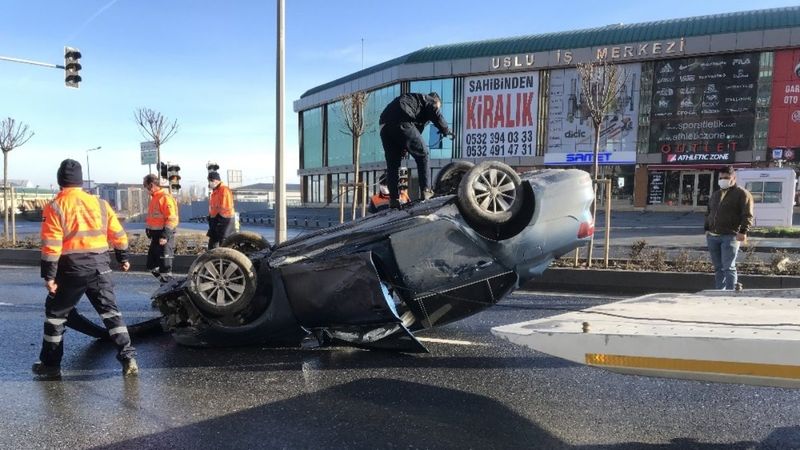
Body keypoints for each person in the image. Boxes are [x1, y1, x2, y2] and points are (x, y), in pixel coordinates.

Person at [33, 159, 137, 379]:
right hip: (100, 266)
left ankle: (51, 366)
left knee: (55, 316)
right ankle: (128, 358)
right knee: (111, 313)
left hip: (70, 269)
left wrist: (49, 277)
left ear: (60, 180)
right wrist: (123, 257)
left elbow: (51, 246)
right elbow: (118, 235)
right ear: (80, 181)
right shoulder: (100, 204)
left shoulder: (55, 207)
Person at [379, 92, 453, 208]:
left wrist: (404, 147)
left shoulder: (417, 108)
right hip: (402, 118)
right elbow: (435, 112)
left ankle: (393, 199)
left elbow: (414, 134)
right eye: (438, 107)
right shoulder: (428, 100)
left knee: (393, 164)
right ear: (436, 101)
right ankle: (426, 191)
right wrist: (445, 129)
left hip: (384, 126)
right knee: (423, 154)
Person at [704, 166, 754, 290]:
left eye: (726, 178)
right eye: (721, 178)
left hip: (730, 236)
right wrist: (706, 228)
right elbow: (709, 212)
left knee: (728, 267)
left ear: (733, 178)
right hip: (713, 236)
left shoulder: (742, 193)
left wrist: (743, 231)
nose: (723, 180)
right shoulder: (716, 194)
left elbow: (747, 214)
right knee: (718, 268)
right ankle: (719, 292)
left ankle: (731, 294)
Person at [143, 174, 179, 283]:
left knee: (165, 269)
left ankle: (171, 288)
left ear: (152, 185)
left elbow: (172, 219)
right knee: (151, 266)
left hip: (164, 238)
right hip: (155, 238)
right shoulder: (155, 198)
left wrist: (165, 235)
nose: (146, 189)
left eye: (146, 186)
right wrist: (149, 229)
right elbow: (153, 218)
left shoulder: (165, 197)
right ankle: (166, 285)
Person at [206, 171, 235, 249]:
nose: (210, 183)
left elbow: (226, 208)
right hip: (216, 220)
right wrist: (211, 217)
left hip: (224, 221)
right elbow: (214, 208)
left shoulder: (224, 190)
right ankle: (213, 259)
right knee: (212, 243)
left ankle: (223, 260)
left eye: (211, 181)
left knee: (224, 244)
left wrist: (220, 220)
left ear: (216, 180)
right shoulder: (215, 191)